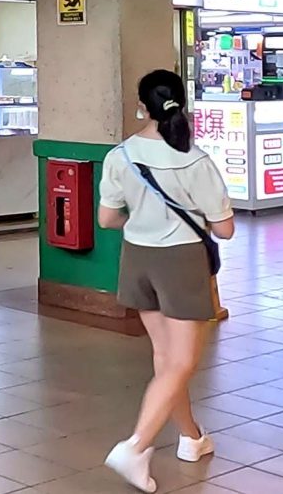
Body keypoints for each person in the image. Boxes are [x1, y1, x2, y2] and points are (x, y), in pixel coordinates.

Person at [97, 69, 235, 492]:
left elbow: (107, 219)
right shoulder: (195, 159)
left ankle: (191, 437)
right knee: (183, 361)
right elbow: (225, 229)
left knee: (165, 358)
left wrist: (139, 214)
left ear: (142, 106)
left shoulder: (120, 155)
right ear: (182, 104)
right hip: (181, 263)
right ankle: (137, 446)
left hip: (137, 259)